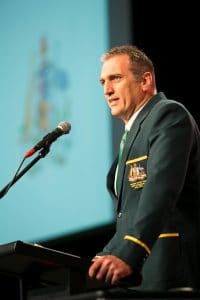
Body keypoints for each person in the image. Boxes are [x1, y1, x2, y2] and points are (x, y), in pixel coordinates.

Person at [88, 45, 200, 291]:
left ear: (145, 80)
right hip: (141, 276)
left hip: (170, 271)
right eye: (102, 82)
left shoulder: (168, 115)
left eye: (115, 78)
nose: (107, 90)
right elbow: (130, 215)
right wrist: (104, 257)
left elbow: (160, 191)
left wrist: (130, 251)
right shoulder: (131, 134)